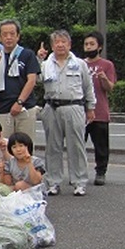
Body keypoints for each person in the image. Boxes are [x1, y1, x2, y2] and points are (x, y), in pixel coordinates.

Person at [40, 29, 97, 196]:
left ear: (69, 44)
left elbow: (88, 87)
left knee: (76, 146)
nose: (60, 45)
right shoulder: (45, 65)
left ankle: (79, 182)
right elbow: (35, 79)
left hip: (74, 107)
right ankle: (53, 182)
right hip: (51, 107)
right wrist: (39, 59)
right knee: (52, 147)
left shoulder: (79, 64)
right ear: (52, 46)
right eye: (56, 42)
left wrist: (91, 107)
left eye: (63, 41)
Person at [0, 19, 40, 139]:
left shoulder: (27, 54)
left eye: (12, 34)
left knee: (25, 146)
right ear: (0, 37)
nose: (8, 37)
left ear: (18, 36)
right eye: (5, 34)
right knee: (4, 146)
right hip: (3, 107)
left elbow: (31, 80)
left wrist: (19, 102)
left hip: (25, 107)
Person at [82, 31, 116, 185]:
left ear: (99, 47)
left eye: (92, 44)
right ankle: (79, 172)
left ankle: (101, 172)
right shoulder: (80, 64)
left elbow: (110, 88)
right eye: (86, 44)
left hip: (100, 111)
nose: (89, 47)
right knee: (78, 144)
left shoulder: (107, 65)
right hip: (80, 112)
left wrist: (104, 79)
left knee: (101, 146)